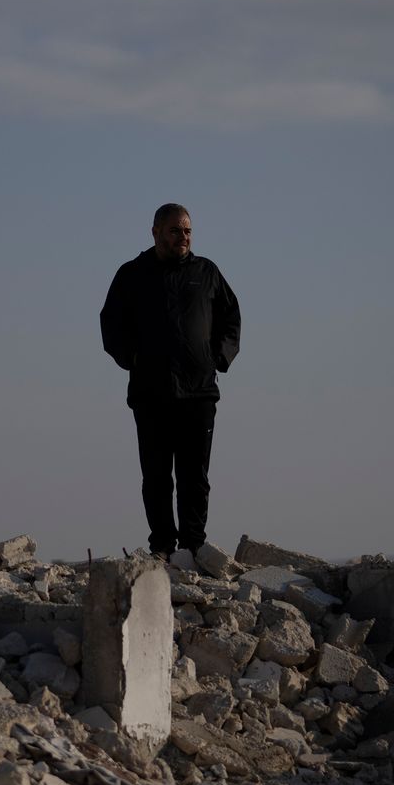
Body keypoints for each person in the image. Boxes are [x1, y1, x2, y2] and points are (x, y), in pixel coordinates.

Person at [99, 203, 242, 560]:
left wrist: (219, 358)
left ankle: (193, 546)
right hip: (151, 393)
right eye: (176, 230)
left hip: (199, 392)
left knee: (196, 476)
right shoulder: (132, 274)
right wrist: (132, 359)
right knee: (157, 476)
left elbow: (231, 317)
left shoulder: (206, 272)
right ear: (156, 232)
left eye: (188, 231)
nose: (184, 237)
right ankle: (162, 547)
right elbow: (110, 323)